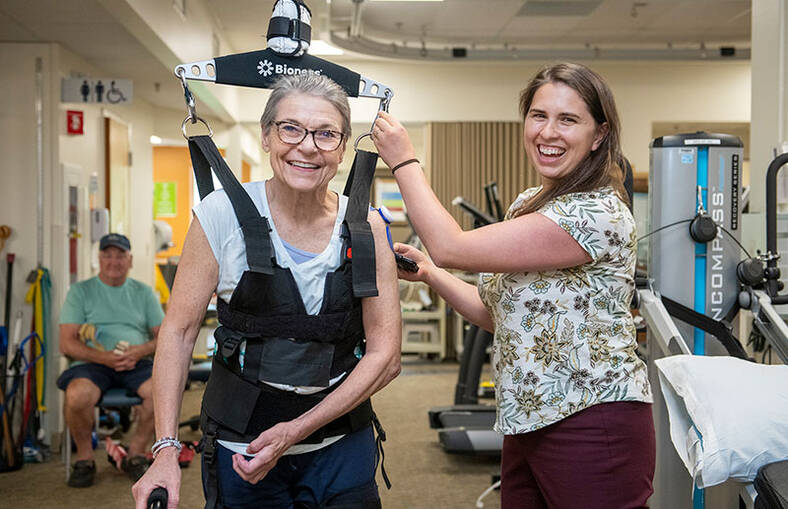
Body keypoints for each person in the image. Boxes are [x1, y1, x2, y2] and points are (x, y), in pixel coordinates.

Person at [371, 62, 655, 508]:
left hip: (592, 418)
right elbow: (496, 316)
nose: (548, 132)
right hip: (526, 418)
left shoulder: (597, 214)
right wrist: (430, 273)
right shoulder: (529, 203)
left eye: (568, 119)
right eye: (539, 115)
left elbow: (451, 245)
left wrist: (404, 160)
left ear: (599, 135)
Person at [132, 73, 401, 509]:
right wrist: (164, 449)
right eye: (290, 128)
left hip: (340, 443)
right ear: (266, 136)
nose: (307, 146)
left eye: (326, 134)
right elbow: (178, 333)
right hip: (242, 442)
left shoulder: (366, 226)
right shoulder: (219, 216)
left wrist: (296, 430)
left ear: (345, 144)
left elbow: (385, 357)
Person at [58, 233, 164, 487]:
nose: (113, 261)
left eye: (120, 256)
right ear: (99, 259)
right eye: (108, 255)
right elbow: (67, 342)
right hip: (93, 363)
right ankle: (85, 459)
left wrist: (139, 351)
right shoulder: (80, 292)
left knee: (162, 391)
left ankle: (136, 453)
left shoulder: (144, 293)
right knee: (77, 395)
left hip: (135, 362)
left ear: (130, 260)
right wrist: (103, 357)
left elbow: (166, 338)